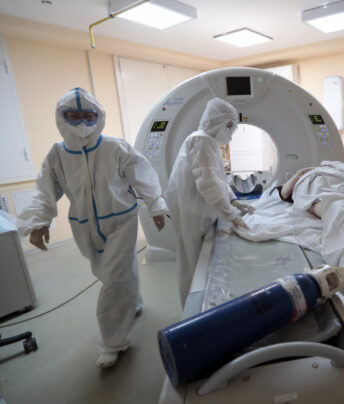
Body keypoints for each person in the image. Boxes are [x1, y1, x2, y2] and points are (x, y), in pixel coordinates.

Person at [18, 87, 168, 368]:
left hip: (121, 220)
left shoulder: (114, 146)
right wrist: (39, 222)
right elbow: (45, 191)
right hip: (84, 225)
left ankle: (112, 343)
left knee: (114, 278)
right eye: (73, 116)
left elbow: (143, 176)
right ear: (61, 118)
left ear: (99, 116)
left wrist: (156, 206)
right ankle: (133, 303)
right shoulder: (57, 154)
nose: (82, 123)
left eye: (88, 116)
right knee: (110, 273)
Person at [165, 98, 253, 307]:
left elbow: (217, 178)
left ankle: (196, 304)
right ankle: (192, 309)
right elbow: (208, 183)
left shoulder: (207, 141)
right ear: (218, 122)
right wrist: (231, 215)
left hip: (198, 209)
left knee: (198, 261)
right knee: (193, 262)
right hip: (191, 212)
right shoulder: (201, 140)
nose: (231, 131)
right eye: (230, 126)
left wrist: (234, 201)